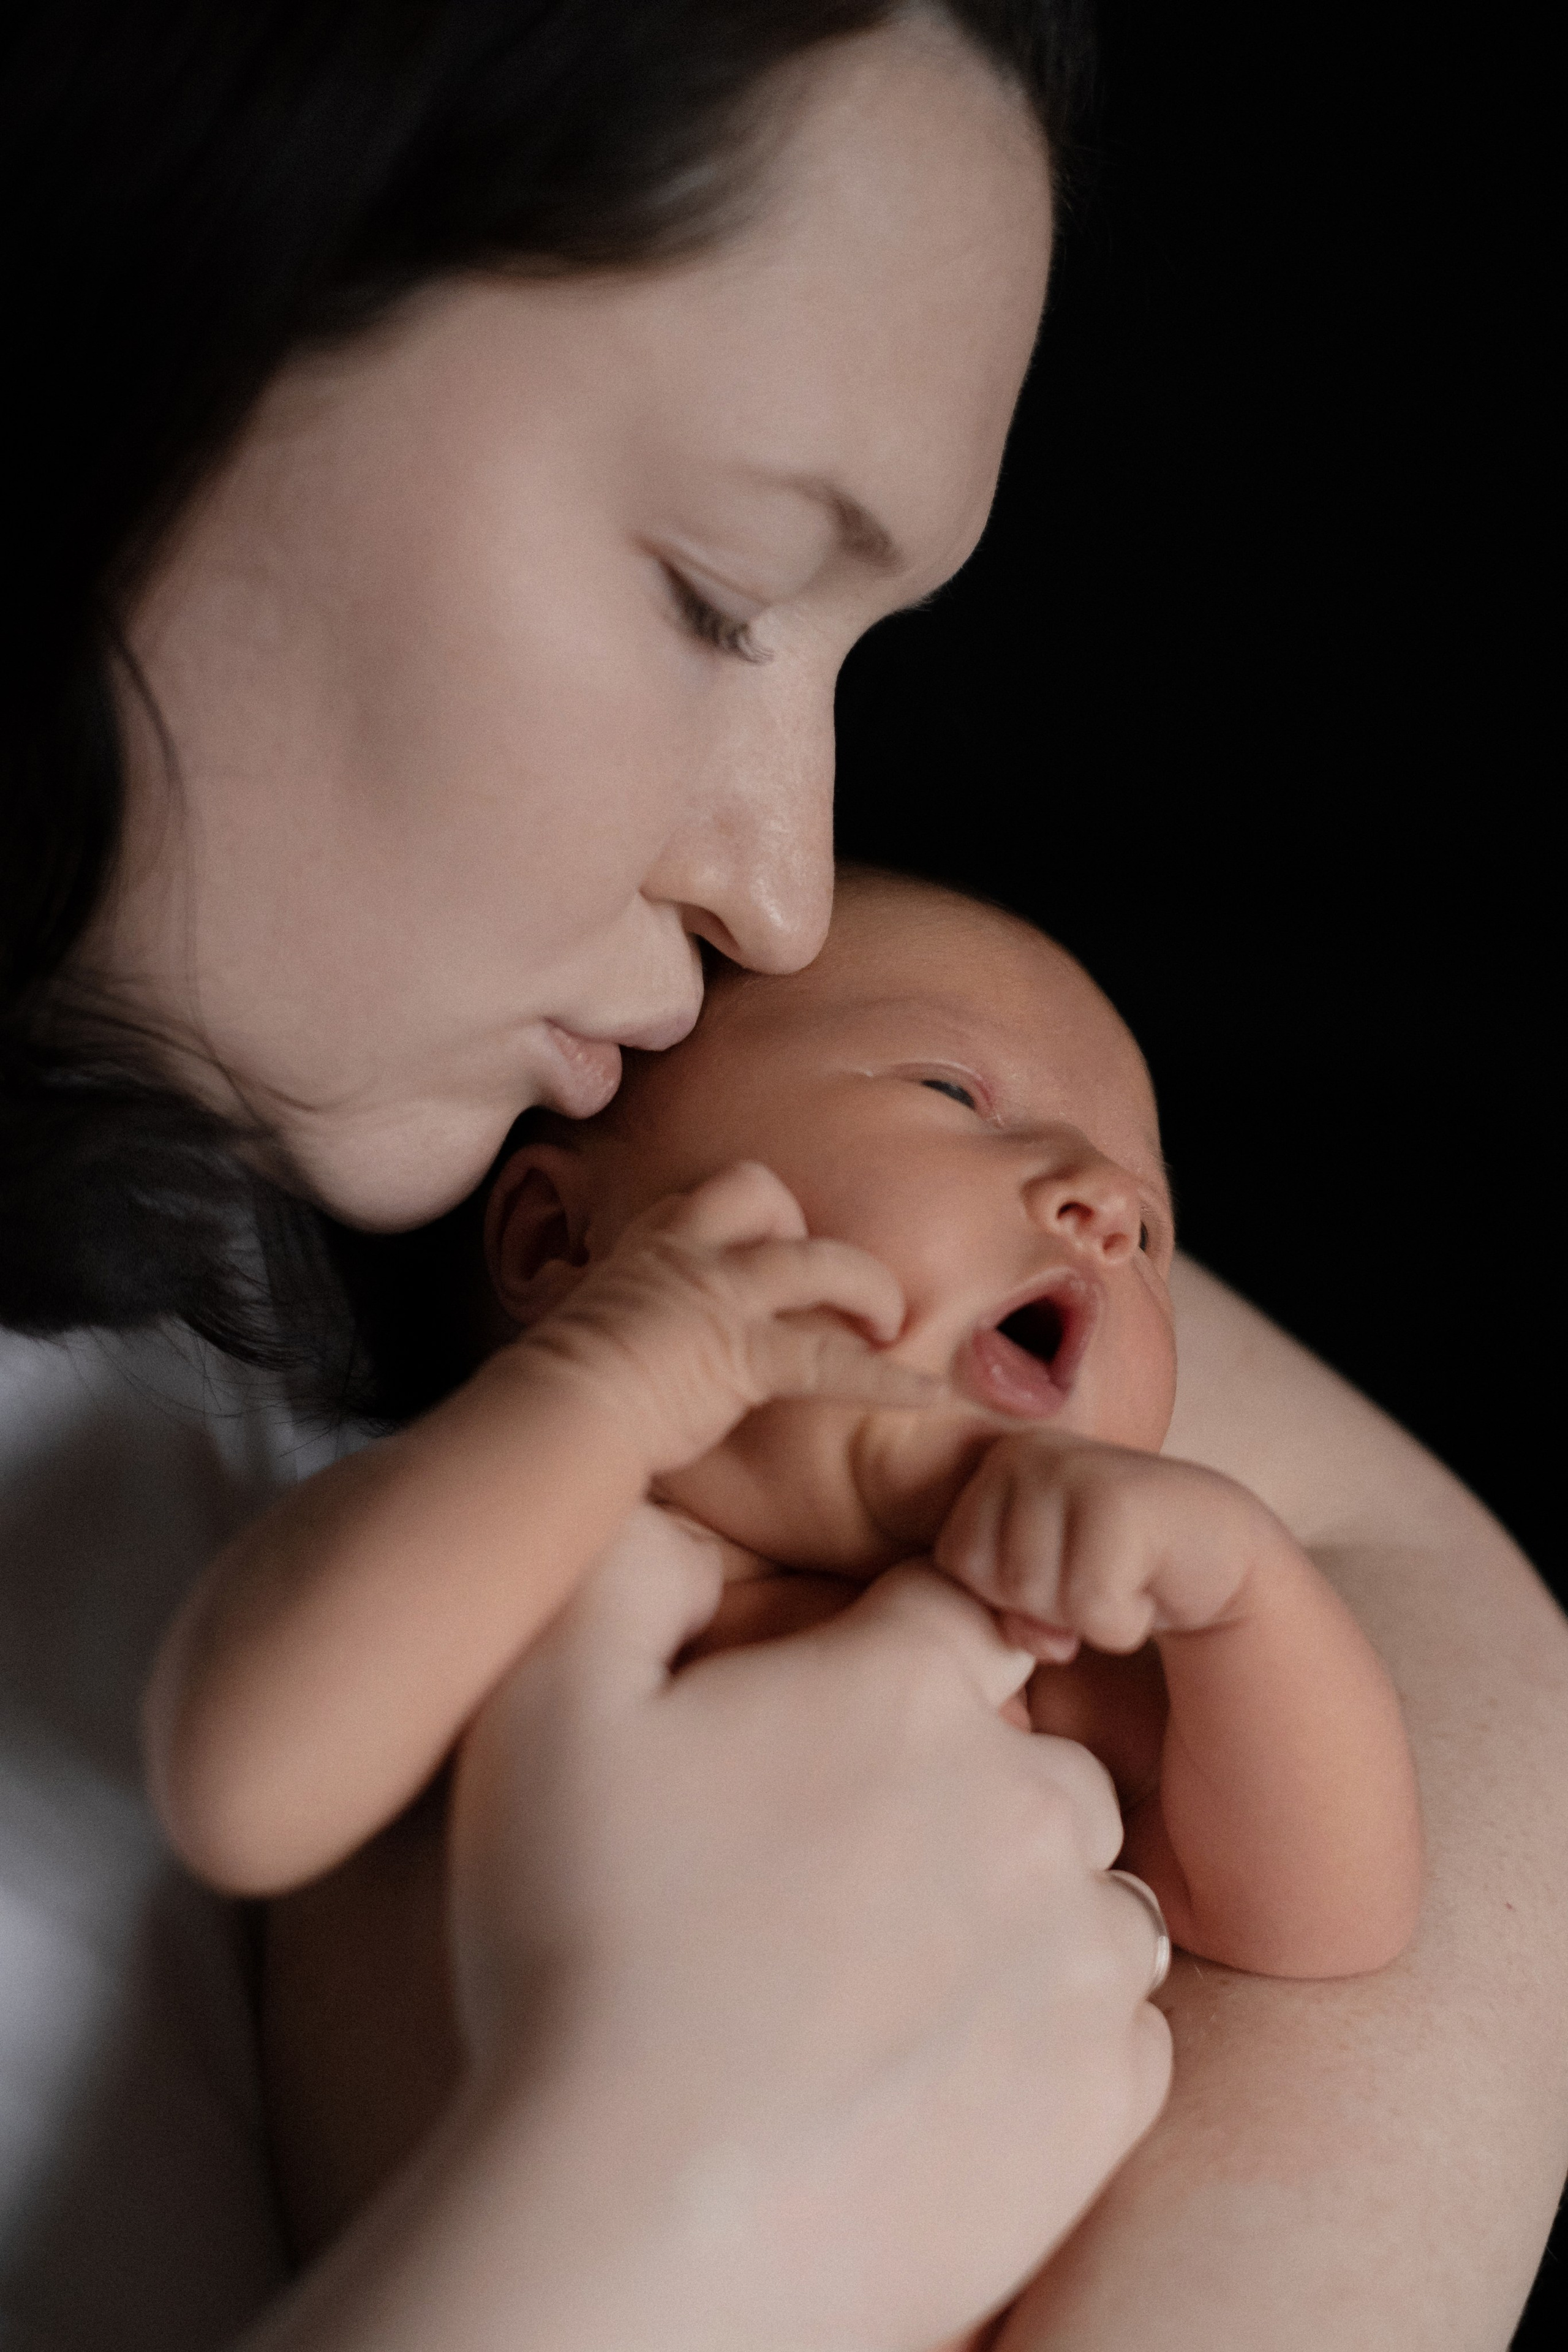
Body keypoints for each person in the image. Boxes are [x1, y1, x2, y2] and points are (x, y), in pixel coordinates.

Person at [1, 6, 1564, 2350]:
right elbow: (254, 1762)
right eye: (722, 587)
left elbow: (1456, 1702)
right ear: (195, 255)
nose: (786, 898)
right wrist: (634, 2212)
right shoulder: (587, 1315)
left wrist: (1230, 1596)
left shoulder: (260, 1174)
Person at [145, 872, 1425, 2336]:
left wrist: (1245, 1597)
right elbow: (243, 1784)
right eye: (955, 1090)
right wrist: (602, 1390)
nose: (1106, 1208)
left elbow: (1322, 1918)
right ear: (559, 1247)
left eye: (1153, 1226)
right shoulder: (504, 1549)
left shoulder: (1024, 1640)